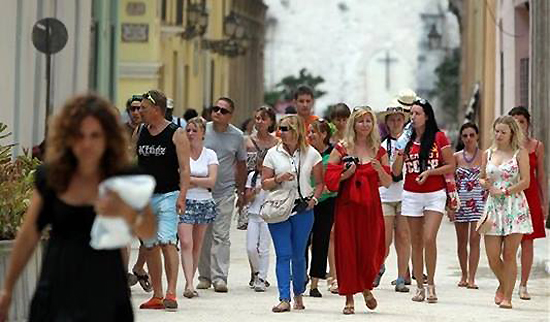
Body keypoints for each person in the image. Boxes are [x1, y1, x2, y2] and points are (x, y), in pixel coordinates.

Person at [0, 93, 156, 322]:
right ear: (67, 137)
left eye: (95, 135)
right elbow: (29, 234)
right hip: (57, 285)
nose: (87, 143)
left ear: (108, 138)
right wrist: (8, 288)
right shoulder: (53, 177)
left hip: (106, 290)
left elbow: (149, 231)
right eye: (79, 135)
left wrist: (122, 211)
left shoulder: (124, 176)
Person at [325, 107, 392, 315]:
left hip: (370, 208)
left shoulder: (379, 150)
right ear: (353, 124)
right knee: (347, 251)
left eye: (368, 121)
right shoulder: (342, 148)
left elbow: (388, 182)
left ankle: (365, 288)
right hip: (347, 208)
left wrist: (380, 169)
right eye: (360, 121)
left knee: (370, 250)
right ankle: (349, 297)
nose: (364, 125)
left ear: (373, 125)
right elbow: (329, 179)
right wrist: (346, 174)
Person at [392, 98, 455, 303]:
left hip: (435, 193)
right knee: (416, 242)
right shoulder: (407, 140)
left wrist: (430, 172)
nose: (413, 117)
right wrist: (400, 150)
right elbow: (395, 171)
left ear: (427, 116)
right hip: (411, 194)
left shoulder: (439, 137)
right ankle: (419, 286)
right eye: (411, 113)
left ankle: (431, 283)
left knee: (429, 238)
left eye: (417, 113)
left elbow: (451, 165)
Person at [262, 115, 323, 313]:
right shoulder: (272, 154)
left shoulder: (312, 154)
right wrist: (278, 178)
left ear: (297, 131)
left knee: (298, 255)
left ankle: (298, 293)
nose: (281, 132)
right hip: (279, 208)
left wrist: (314, 199)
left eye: (286, 128)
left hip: (303, 209)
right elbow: (264, 183)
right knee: (283, 254)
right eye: (280, 128)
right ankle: (283, 298)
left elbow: (320, 182)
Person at [136, 90, 191, 310]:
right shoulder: (140, 131)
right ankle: (157, 294)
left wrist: (183, 196)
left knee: (167, 241)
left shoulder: (176, 133)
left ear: (157, 110)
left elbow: (185, 169)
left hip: (169, 194)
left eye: (144, 108)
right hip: (145, 198)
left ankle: (171, 293)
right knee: (149, 245)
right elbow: (132, 160)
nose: (139, 112)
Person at [479, 115, 532, 309]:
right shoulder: (488, 153)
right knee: (493, 256)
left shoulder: (520, 153)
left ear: (512, 133)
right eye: (497, 131)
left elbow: (526, 181)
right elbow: (482, 177)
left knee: (510, 254)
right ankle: (503, 283)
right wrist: (484, 183)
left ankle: (508, 296)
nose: (499, 135)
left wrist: (505, 190)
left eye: (503, 132)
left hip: (514, 205)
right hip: (493, 207)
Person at [198, 97, 247, 293]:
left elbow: (241, 164)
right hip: (201, 190)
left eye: (223, 110)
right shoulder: (202, 130)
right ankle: (204, 276)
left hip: (225, 192)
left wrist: (241, 190)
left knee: (221, 235)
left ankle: (220, 277)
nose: (218, 112)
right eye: (215, 108)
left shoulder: (237, 136)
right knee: (203, 235)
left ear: (230, 115)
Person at [508, 106, 547, 300]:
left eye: (521, 121)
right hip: (509, 197)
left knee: (528, 241)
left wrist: (544, 202)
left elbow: (541, 176)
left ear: (527, 123)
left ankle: (523, 284)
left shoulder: (536, 146)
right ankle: (507, 281)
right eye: (515, 121)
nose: (518, 125)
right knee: (509, 242)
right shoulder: (505, 146)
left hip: (530, 196)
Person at [178, 117, 219, 299]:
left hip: (204, 202)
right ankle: (188, 283)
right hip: (186, 200)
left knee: (197, 245)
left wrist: (190, 179)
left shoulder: (210, 154)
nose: (191, 134)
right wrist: (192, 182)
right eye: (188, 130)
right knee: (186, 242)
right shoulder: (181, 153)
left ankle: (191, 280)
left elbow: (211, 181)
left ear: (203, 133)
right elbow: (178, 179)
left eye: (195, 130)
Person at [375, 101, 411, 293]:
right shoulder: (383, 145)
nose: (396, 123)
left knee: (404, 236)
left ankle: (401, 277)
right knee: (385, 238)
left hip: (406, 194)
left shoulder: (411, 143)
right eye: (393, 120)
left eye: (399, 119)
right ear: (387, 123)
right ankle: (379, 266)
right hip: (386, 195)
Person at [241, 106, 278, 286]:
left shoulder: (277, 143)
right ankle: (255, 272)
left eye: (263, 118)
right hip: (252, 186)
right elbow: (242, 166)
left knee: (263, 245)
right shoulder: (247, 142)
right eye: (256, 118)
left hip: (270, 193)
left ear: (271, 121)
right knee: (250, 244)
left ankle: (261, 277)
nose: (259, 122)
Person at [449, 122, 484, 289]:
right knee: (461, 241)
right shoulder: (455, 157)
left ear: (477, 136)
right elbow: (450, 182)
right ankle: (463, 274)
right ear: (461, 138)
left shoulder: (485, 156)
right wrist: (450, 206)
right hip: (460, 203)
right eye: (465, 136)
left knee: (475, 240)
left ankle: (472, 277)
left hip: (480, 203)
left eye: (471, 135)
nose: (468, 138)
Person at [306, 119, 337, 298]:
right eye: (309, 132)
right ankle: (301, 275)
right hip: (307, 200)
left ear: (324, 134)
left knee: (321, 240)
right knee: (303, 241)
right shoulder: (304, 152)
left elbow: (341, 173)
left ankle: (315, 282)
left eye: (314, 132)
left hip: (326, 202)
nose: (310, 135)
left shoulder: (333, 153)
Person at [245, 152, 270, 292]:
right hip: (253, 215)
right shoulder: (252, 177)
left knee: (264, 248)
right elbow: (247, 197)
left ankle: (262, 278)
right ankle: (256, 272)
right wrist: (254, 191)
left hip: (267, 215)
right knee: (251, 247)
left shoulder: (273, 177)